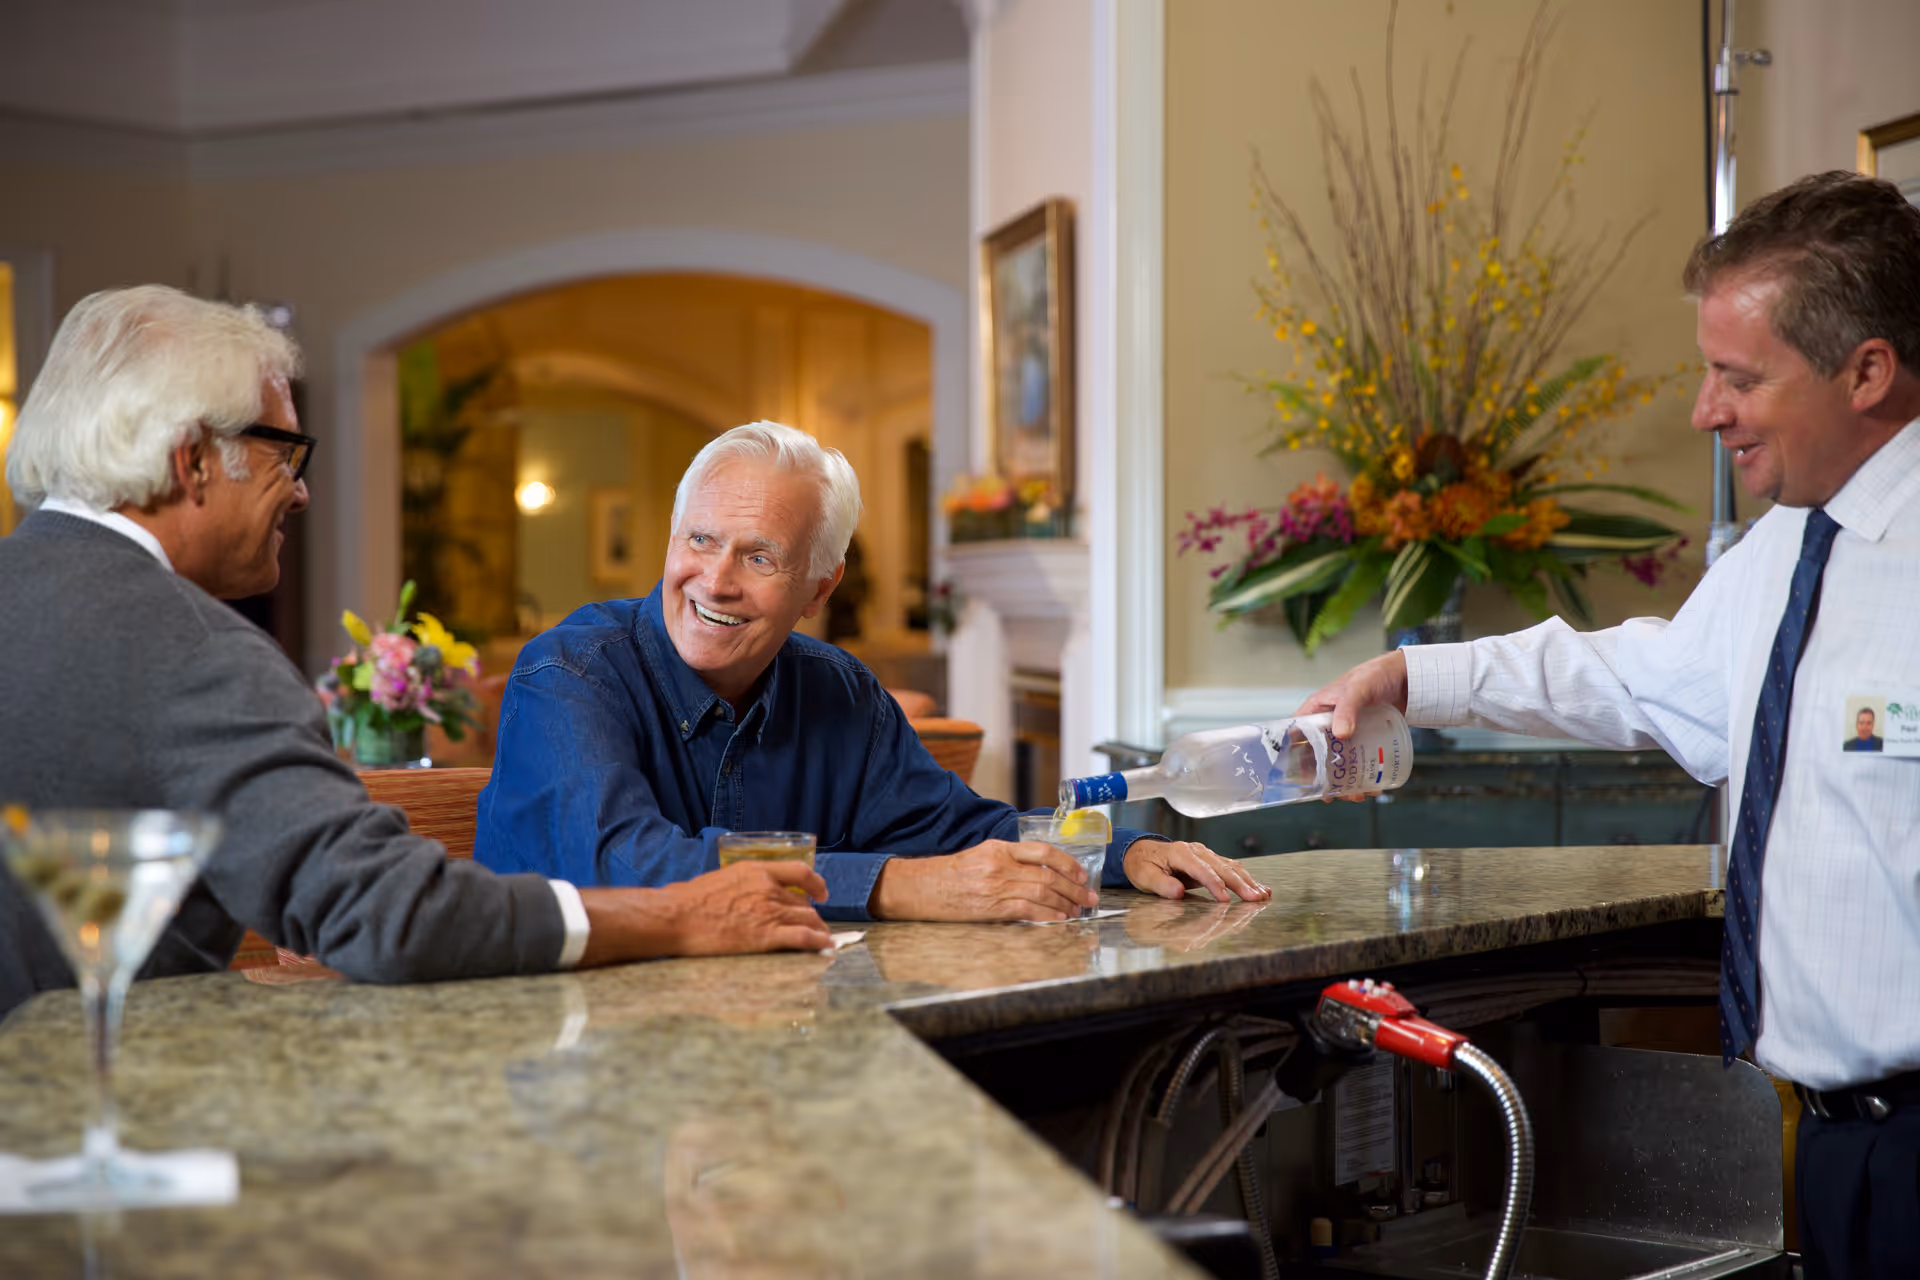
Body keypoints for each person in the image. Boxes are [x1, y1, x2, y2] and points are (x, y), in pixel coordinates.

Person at [1298, 172, 1920, 1279]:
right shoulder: (1784, 549)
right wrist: (1408, 673)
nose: (1704, 411)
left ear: (1867, 369)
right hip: (1839, 1155)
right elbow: (1635, 675)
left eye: (1738, 377)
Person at [0, 286, 833, 1022]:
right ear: (191, 461)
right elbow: (386, 913)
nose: (300, 488)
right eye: (281, 452)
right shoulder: (197, 653)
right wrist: (684, 916)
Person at [476, 421, 1268, 921]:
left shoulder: (839, 691)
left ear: (820, 588)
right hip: (562, 1055)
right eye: (699, 541)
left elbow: (956, 830)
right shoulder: (569, 671)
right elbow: (627, 862)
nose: (714, 581)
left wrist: (1121, 855)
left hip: (759, 1036)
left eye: (758, 556)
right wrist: (897, 885)